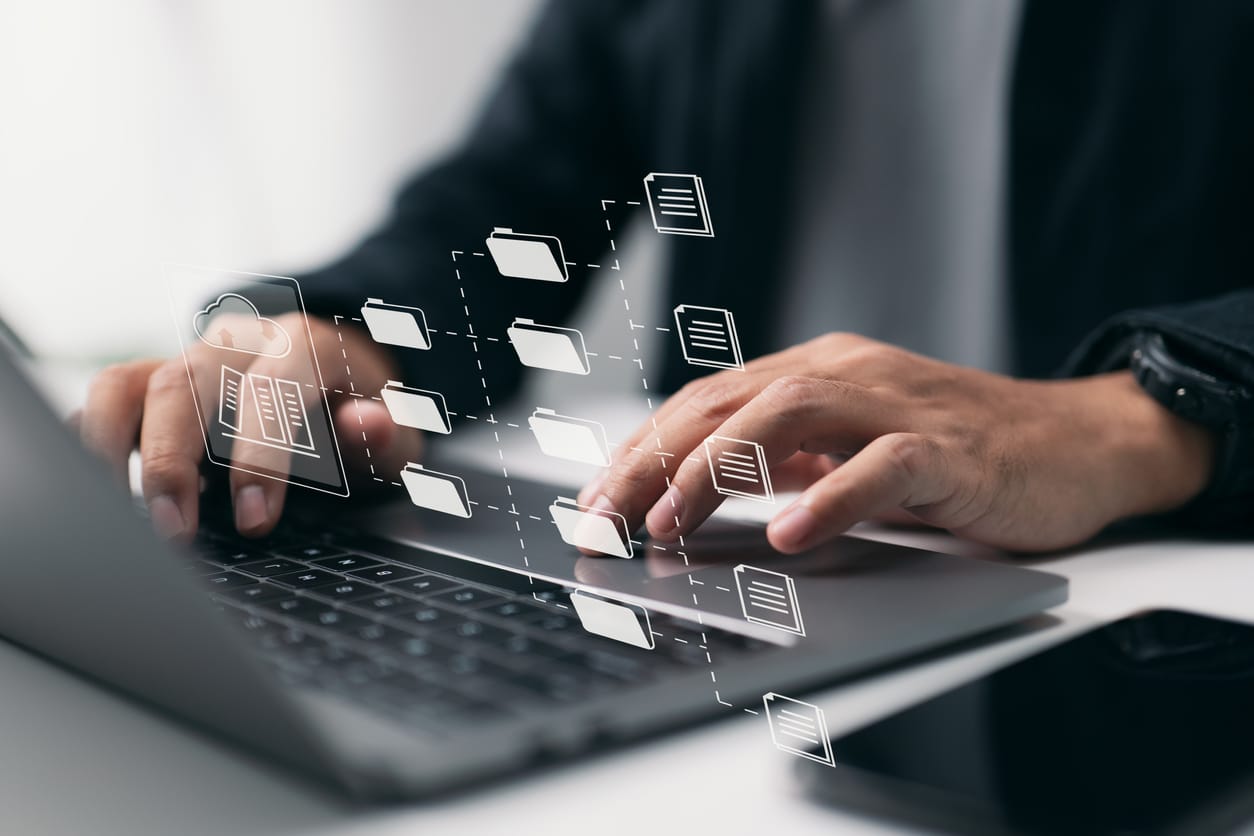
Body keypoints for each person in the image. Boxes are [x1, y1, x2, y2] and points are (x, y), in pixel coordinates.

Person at [77, 0, 1254, 555]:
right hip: (736, 578)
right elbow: (496, 209)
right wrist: (341, 339)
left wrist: (1131, 414)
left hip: (1143, 612)